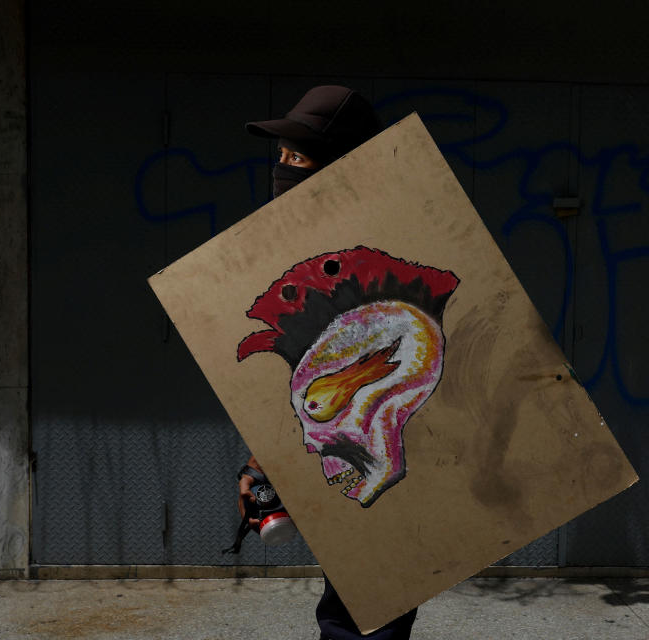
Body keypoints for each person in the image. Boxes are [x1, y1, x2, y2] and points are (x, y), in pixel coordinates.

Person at [238, 85, 418, 640]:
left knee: (367, 608)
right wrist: (263, 463)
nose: (284, 170)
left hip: (400, 462)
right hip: (348, 458)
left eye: (300, 158)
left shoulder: (390, 250)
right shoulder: (311, 252)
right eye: (281, 157)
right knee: (349, 607)